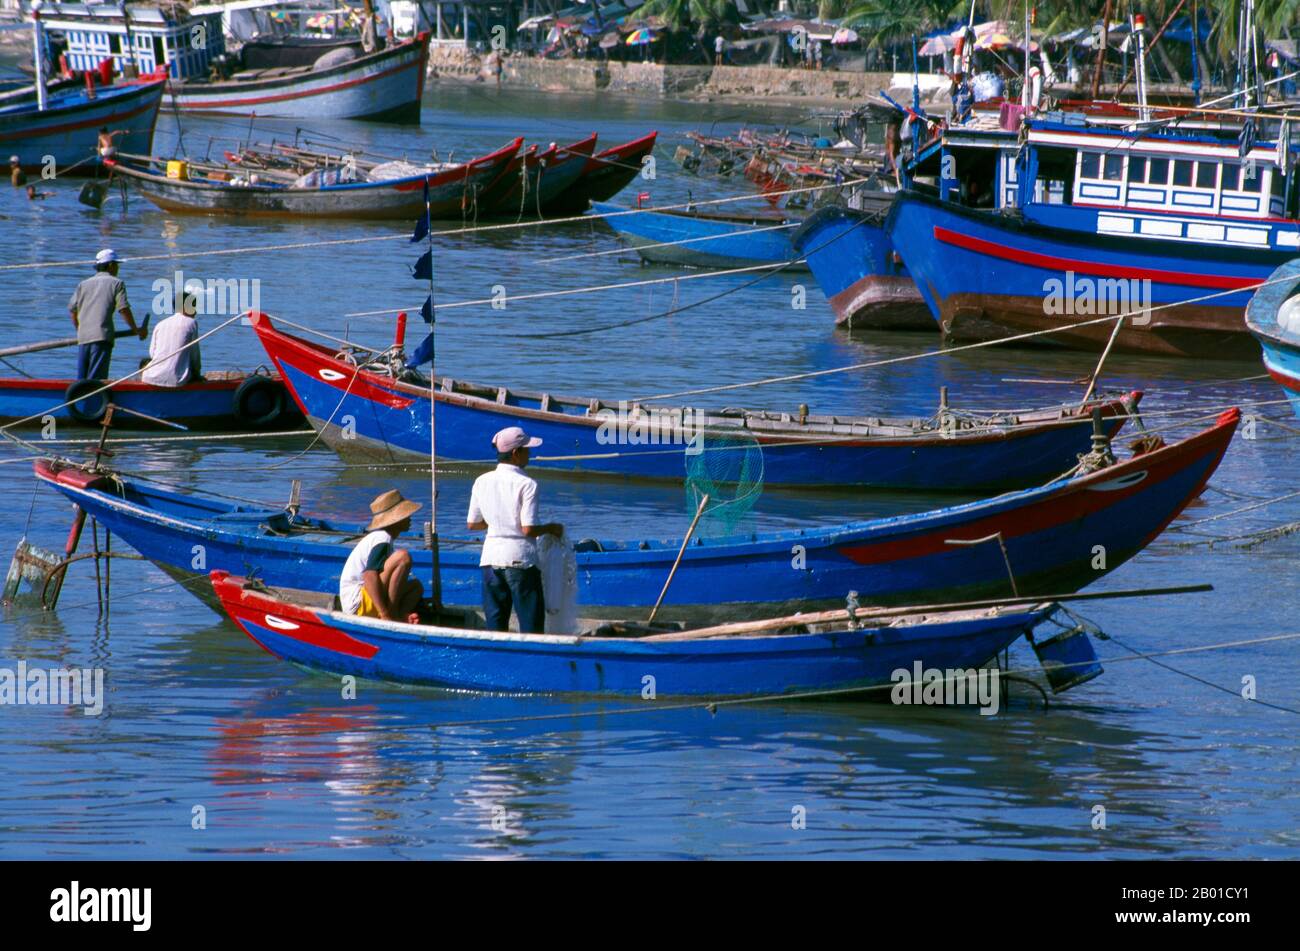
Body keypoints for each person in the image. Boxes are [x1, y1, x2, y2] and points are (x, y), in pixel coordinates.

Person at [466, 426, 564, 633]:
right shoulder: (527, 484)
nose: (530, 453)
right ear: (515, 453)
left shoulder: (481, 481)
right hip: (520, 560)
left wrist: (498, 523)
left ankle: (498, 661)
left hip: (490, 560)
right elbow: (528, 529)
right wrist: (551, 528)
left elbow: (473, 524)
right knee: (531, 627)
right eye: (526, 449)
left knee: (495, 625)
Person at [339, 489, 424, 623]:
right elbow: (369, 576)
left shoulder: (384, 539)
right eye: (406, 515)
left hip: (365, 599)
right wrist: (384, 613)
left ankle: (398, 617)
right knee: (403, 557)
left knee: (415, 587)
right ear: (396, 519)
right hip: (358, 603)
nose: (410, 518)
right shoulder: (382, 538)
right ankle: (390, 616)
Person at [68, 249, 144, 381]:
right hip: (101, 337)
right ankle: (97, 400)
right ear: (110, 265)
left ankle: (79, 399)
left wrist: (80, 329)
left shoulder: (83, 284)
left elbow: (72, 311)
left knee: (82, 379)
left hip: (84, 338)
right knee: (97, 379)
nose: (117, 268)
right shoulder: (116, 283)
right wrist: (136, 329)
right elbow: (123, 309)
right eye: (116, 265)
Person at [141, 285, 202, 386]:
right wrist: (197, 375)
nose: (196, 311)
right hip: (177, 379)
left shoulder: (160, 325)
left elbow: (152, 354)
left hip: (150, 377)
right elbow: (195, 356)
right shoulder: (191, 323)